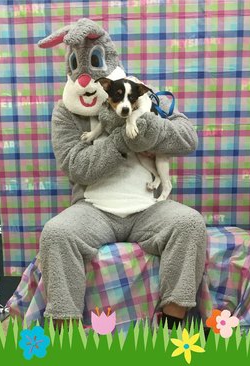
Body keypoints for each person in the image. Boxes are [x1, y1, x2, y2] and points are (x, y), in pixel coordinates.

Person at [37, 18, 207, 330]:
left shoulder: (142, 93)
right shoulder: (65, 112)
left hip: (148, 206)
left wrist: (146, 128)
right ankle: (65, 333)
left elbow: (186, 138)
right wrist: (122, 139)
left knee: (190, 224)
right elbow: (77, 166)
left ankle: (172, 325)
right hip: (93, 208)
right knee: (56, 234)